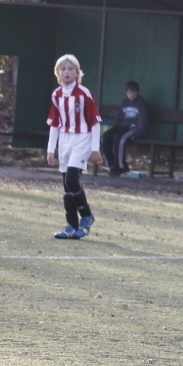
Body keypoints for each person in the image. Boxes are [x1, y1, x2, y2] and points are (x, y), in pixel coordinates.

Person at [45, 54, 102, 240]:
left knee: (71, 178)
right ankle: (71, 225)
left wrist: (95, 149)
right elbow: (54, 124)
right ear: (58, 73)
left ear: (77, 73)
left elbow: (95, 121)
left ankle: (86, 215)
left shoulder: (84, 93)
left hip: (82, 138)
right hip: (65, 140)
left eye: (71, 69)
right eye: (63, 69)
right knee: (66, 183)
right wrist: (50, 149)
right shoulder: (56, 95)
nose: (67, 72)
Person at [102, 80, 148, 176]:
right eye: (129, 92)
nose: (132, 95)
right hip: (121, 127)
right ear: (126, 92)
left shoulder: (141, 103)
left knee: (120, 139)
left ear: (137, 92)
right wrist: (115, 128)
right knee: (104, 137)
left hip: (132, 128)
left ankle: (120, 167)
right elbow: (119, 118)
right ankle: (111, 164)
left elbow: (142, 120)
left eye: (134, 92)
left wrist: (138, 134)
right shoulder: (125, 102)